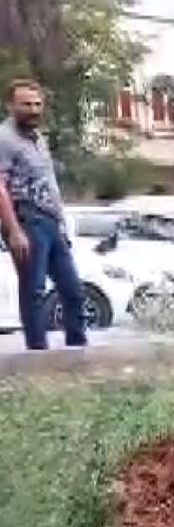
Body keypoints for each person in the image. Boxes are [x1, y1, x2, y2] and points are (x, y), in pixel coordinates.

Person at [0, 78, 86, 350]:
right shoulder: (5, 138)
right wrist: (13, 230)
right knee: (34, 291)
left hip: (50, 222)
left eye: (37, 104)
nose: (33, 109)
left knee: (73, 290)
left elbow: (50, 184)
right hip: (26, 220)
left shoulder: (38, 138)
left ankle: (77, 350)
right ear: (10, 105)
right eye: (26, 104)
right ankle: (37, 355)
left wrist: (61, 223)